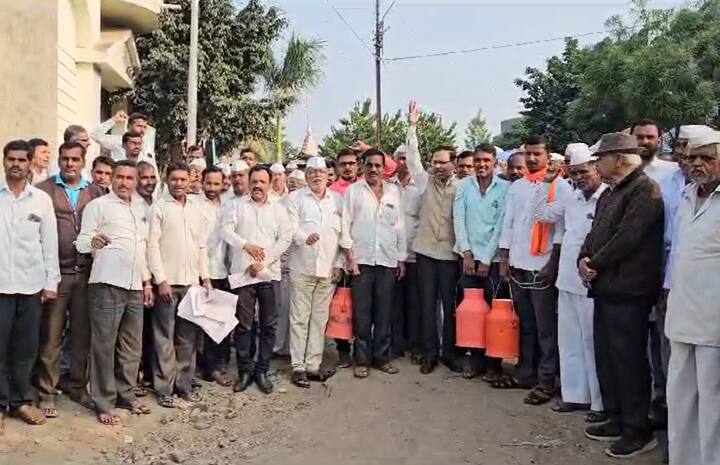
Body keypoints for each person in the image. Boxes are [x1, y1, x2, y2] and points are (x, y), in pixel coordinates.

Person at [579, 132, 663, 458]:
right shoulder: (609, 193)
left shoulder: (645, 191)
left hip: (630, 289)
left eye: (601, 157)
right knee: (608, 357)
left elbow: (628, 238)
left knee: (629, 361)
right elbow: (595, 233)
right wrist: (583, 259)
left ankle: (637, 430)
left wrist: (594, 263)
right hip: (606, 288)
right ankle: (615, 417)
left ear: (620, 158)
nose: (597, 163)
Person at [529, 143, 605, 422]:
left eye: (583, 171)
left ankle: (599, 403)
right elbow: (541, 215)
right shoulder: (572, 197)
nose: (578, 177)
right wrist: (544, 184)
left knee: (591, 342)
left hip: (592, 282)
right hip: (567, 279)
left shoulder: (606, 198)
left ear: (596, 168)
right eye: (573, 173)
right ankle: (575, 396)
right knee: (569, 341)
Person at [76, 160, 154, 425]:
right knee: (104, 346)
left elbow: (142, 247)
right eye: (119, 177)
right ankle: (103, 402)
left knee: (132, 347)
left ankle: (126, 394)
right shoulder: (97, 206)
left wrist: (146, 282)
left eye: (129, 178)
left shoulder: (142, 207)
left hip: (134, 284)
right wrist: (93, 241)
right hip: (106, 283)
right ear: (112, 179)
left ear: (135, 181)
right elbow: (82, 241)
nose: (124, 182)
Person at [34, 141, 104, 418]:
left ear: (83, 161)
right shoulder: (44, 191)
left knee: (81, 335)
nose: (70, 164)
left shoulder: (96, 192)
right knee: (51, 336)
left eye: (75, 159)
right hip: (57, 274)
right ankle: (47, 391)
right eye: (65, 159)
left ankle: (77, 385)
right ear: (59, 161)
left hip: (87, 273)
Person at [665, 130, 720, 465]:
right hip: (681, 315)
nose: (697, 164)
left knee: (713, 403)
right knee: (681, 399)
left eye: (707, 158)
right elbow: (678, 254)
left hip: (714, 323)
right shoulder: (685, 198)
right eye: (692, 157)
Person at [497, 135, 564, 406]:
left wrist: (552, 264)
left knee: (545, 328)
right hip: (518, 264)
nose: (533, 159)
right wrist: (504, 259)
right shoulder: (518, 187)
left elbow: (560, 230)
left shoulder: (559, 186)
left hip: (542, 266)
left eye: (538, 154)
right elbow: (509, 222)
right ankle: (525, 373)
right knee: (526, 325)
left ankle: (547, 381)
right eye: (529, 154)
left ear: (547, 156)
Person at [0, 140, 60, 433]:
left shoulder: (40, 200)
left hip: (31, 286)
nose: (16, 164)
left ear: (29, 163)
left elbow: (49, 245)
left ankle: (21, 401)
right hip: (0, 287)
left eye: (21, 160)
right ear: (3, 161)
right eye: (11, 159)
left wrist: (51, 283)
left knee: (25, 350)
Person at [221, 166, 292, 394]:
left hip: (269, 273)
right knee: (243, 325)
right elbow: (226, 231)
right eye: (254, 181)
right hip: (243, 273)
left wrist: (265, 261)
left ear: (270, 184)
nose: (258, 185)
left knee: (269, 325)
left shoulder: (279, 209)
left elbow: (286, 238)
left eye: (262, 181)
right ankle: (244, 370)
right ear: (249, 182)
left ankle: (262, 370)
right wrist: (246, 245)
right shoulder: (236, 205)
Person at [402, 101, 460, 374]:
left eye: (442, 162)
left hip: (450, 255)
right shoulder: (424, 181)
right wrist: (412, 127)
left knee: (449, 306)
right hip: (425, 253)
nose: (437, 166)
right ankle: (428, 354)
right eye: (434, 162)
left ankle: (448, 353)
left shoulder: (462, 188)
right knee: (427, 305)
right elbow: (413, 158)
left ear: (454, 164)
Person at [147, 162, 211, 408]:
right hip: (167, 284)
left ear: (189, 180)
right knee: (164, 338)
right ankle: (164, 388)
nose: (179, 184)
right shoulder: (159, 208)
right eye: (174, 179)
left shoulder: (196, 209)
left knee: (187, 339)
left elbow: (201, 246)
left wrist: (204, 278)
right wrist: (160, 279)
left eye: (183, 179)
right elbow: (152, 245)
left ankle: (184, 385)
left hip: (191, 284)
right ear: (167, 180)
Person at [341, 148, 406, 378]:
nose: (374, 170)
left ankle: (382, 357)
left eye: (378, 166)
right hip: (362, 261)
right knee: (362, 314)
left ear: (383, 168)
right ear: (362, 166)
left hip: (387, 261)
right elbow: (344, 226)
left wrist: (401, 258)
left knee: (384, 312)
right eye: (369, 165)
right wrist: (350, 258)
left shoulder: (393, 192)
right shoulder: (353, 191)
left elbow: (399, 227)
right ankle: (361, 360)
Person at [285, 157, 343, 387]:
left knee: (319, 320)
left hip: (328, 270)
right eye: (312, 172)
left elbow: (343, 236)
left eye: (321, 172)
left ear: (328, 175)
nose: (317, 176)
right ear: (306, 175)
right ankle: (298, 366)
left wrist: (339, 263)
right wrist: (303, 237)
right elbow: (289, 228)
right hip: (302, 268)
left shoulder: (336, 200)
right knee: (299, 319)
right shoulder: (295, 199)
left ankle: (313, 365)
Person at [453, 143, 509, 379]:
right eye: (478, 160)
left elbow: (501, 226)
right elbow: (459, 219)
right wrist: (466, 253)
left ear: (495, 162)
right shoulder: (464, 186)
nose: (481, 165)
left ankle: (494, 363)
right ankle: (475, 359)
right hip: (468, 259)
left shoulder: (505, 188)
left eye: (487, 160)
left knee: (494, 310)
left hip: (493, 260)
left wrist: (486, 259)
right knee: (472, 313)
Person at [193, 166, 232, 387]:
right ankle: (207, 368)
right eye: (208, 183)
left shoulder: (228, 204)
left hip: (224, 270)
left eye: (216, 184)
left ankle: (220, 362)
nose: (212, 188)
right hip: (202, 271)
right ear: (202, 181)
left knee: (222, 320)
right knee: (204, 323)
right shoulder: (195, 205)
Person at [328, 148, 361, 368]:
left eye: (352, 163)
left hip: (365, 256)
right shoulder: (331, 192)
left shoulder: (365, 187)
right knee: (340, 304)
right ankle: (342, 350)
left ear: (357, 165)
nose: (348, 167)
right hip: (339, 256)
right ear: (338, 167)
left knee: (362, 306)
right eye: (344, 164)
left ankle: (362, 348)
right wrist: (340, 261)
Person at [389, 143, 422, 362]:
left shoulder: (421, 186)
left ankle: (416, 345)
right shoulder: (387, 186)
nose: (405, 163)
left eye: (408, 159)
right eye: (401, 158)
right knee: (393, 302)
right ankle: (396, 344)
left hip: (416, 253)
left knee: (416, 301)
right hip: (391, 254)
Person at [135, 160, 158, 392]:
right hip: (140, 278)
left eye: (152, 178)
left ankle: (150, 374)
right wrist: (146, 281)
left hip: (156, 275)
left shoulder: (156, 204)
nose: (149, 182)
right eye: (144, 178)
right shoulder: (134, 206)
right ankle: (135, 377)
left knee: (152, 330)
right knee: (136, 332)